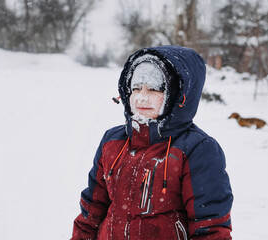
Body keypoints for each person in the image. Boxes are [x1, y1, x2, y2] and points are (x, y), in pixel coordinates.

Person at [71, 45, 233, 240]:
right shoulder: (112, 141)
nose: (142, 97)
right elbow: (92, 211)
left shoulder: (197, 149)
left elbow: (210, 228)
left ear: (178, 95)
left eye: (155, 89)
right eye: (136, 88)